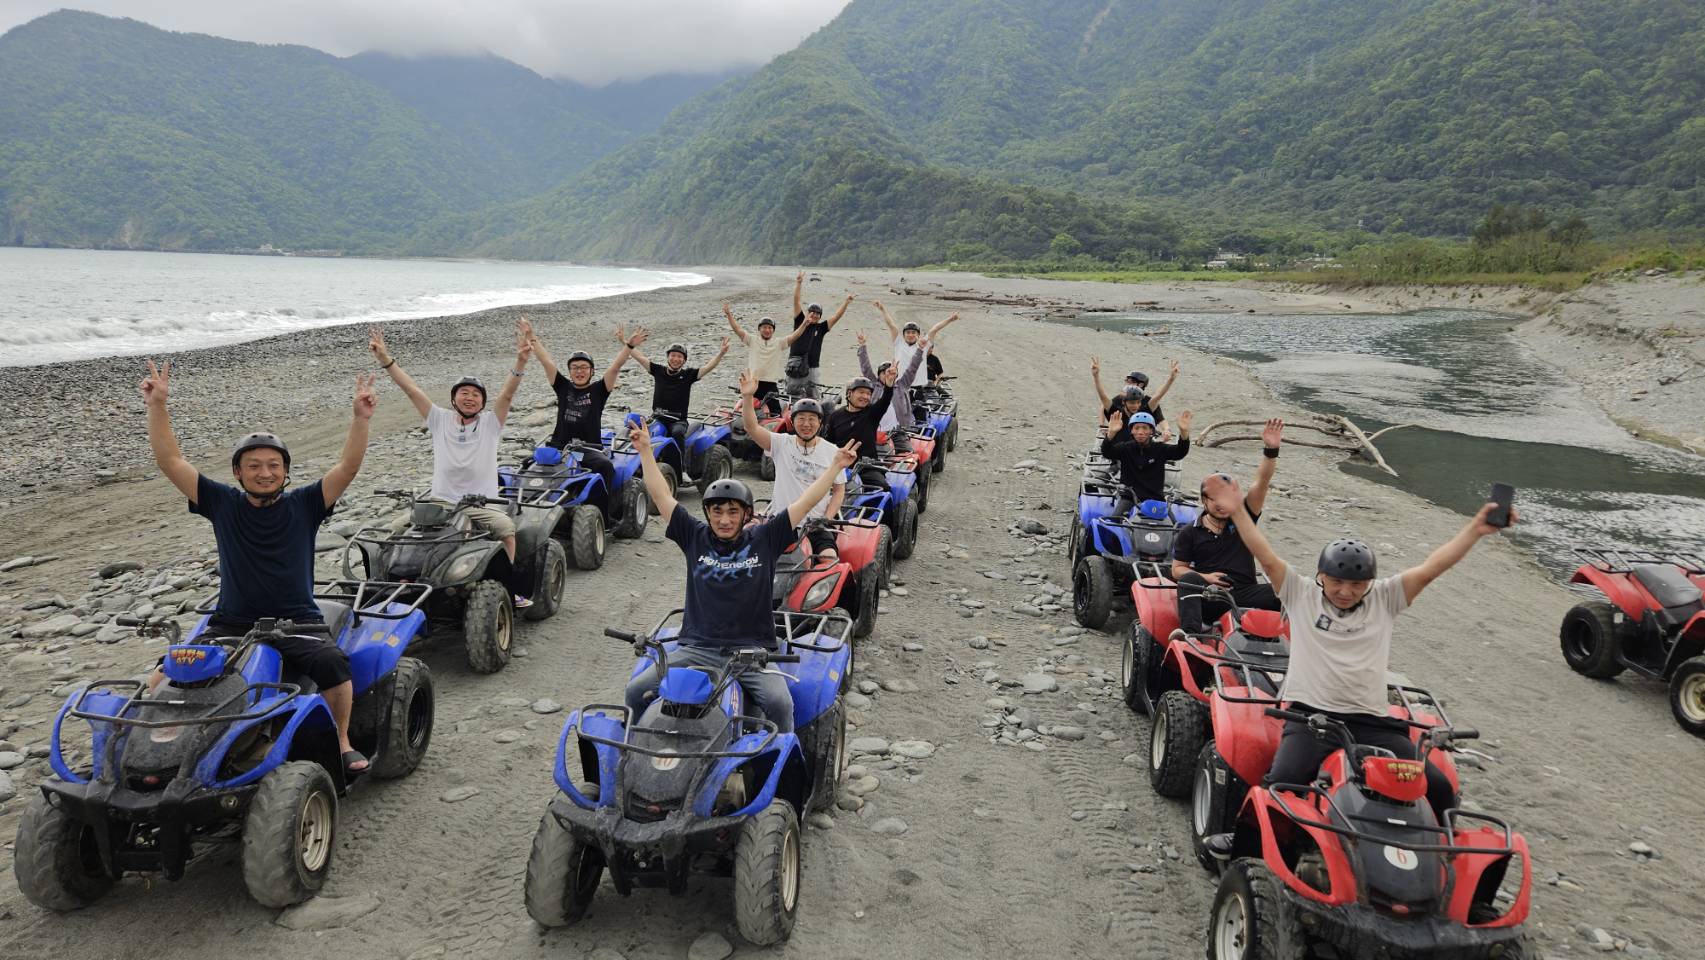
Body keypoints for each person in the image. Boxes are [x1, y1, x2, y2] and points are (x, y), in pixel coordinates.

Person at [1199, 477, 1518, 847]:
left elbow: (1432, 568)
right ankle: (1243, 849)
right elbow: (1266, 556)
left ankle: (1439, 859)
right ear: (1320, 576)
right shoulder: (1301, 594)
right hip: (1309, 715)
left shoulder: (1385, 599)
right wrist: (1238, 511)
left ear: (1370, 582)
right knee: (1279, 785)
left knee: (1441, 788)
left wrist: (1475, 530)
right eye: (1336, 582)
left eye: (1357, 584)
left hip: (1371, 720)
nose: (1346, 592)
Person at [140, 360, 377, 775]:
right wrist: (158, 406)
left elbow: (348, 468)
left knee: (334, 665)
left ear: (285, 471)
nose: (264, 473)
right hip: (231, 622)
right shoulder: (222, 503)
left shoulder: (306, 504)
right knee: (162, 676)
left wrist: (360, 419)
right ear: (238, 472)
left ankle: (341, 741)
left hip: (298, 620)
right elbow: (170, 461)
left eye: (273, 466)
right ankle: (141, 747)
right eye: (254, 466)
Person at [622, 417, 858, 732]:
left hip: (751, 652)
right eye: (717, 511)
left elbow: (805, 502)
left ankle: (778, 769)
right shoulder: (694, 536)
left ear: (747, 514)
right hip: (696, 648)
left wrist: (834, 468)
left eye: (733, 511)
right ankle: (632, 754)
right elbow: (663, 497)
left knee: (780, 704)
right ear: (707, 513)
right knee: (636, 691)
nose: (724, 519)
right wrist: (646, 453)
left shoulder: (766, 538)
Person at [369, 324, 531, 604]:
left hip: (479, 506)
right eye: (464, 393)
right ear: (454, 398)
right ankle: (388, 584)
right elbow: (411, 390)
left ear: (482, 402)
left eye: (476, 394)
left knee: (505, 528)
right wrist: (385, 359)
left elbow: (506, 395)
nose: (469, 397)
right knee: (394, 530)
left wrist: (520, 361)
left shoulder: (491, 424)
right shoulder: (439, 419)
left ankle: (508, 588)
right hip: (440, 502)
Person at [1171, 418, 1286, 636]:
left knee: (1286, 591)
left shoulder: (1244, 519)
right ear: (1204, 500)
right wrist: (1206, 577)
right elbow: (1177, 569)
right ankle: (1191, 635)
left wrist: (1271, 450)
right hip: (1210, 596)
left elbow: (1261, 483)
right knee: (1188, 579)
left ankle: (1293, 641)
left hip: (1245, 593)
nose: (1221, 504)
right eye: (1215, 498)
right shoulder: (1190, 532)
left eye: (1226, 497)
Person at [523, 318, 644, 519]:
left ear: (591, 371)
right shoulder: (562, 386)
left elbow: (615, 367)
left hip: (587, 449)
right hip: (558, 447)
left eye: (584, 367)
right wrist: (530, 336)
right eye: (575, 367)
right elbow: (546, 361)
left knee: (606, 466)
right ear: (570, 371)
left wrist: (629, 345)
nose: (579, 371)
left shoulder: (599, 390)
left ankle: (605, 516)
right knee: (527, 465)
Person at [737, 370, 846, 558]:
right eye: (801, 419)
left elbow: (838, 490)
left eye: (812, 419)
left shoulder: (833, 452)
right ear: (792, 422)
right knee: (750, 558)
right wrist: (747, 397)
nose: (806, 424)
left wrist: (826, 519)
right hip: (781, 522)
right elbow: (751, 427)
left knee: (829, 559)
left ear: (820, 424)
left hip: (816, 525)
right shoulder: (781, 443)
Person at [626, 333, 730, 448]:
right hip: (658, 417)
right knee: (641, 433)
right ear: (668, 357)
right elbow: (640, 358)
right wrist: (627, 344)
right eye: (673, 355)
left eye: (680, 357)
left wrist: (721, 353)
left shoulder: (688, 375)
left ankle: (681, 464)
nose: (676, 359)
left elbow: (708, 367)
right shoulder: (658, 371)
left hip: (678, 421)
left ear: (684, 360)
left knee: (677, 433)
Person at [824, 370, 907, 494]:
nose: (865, 396)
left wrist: (889, 385)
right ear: (849, 393)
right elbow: (828, 443)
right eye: (861, 392)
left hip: (865, 466)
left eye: (868, 394)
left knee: (884, 490)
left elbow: (885, 401)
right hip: (839, 465)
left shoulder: (872, 413)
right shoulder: (835, 416)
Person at [1100, 407, 1193, 516]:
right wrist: (1111, 433)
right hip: (1129, 499)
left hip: (1156, 500)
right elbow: (1107, 452)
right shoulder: (1125, 448)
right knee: (1114, 524)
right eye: (1137, 428)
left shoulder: (1160, 449)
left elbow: (1180, 452)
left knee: (1175, 529)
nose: (1140, 432)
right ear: (1131, 430)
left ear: (1151, 431)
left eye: (1145, 428)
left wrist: (1184, 433)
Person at [725, 302, 811, 415]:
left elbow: (795, 336)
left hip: (770, 384)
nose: (767, 330)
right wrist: (729, 314)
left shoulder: (779, 343)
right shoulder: (752, 340)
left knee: (776, 412)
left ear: (773, 330)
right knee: (743, 411)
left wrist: (804, 324)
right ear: (759, 329)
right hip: (753, 383)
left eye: (770, 328)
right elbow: (737, 329)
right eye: (764, 327)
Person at [854, 328, 927, 453]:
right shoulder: (873, 385)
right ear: (879, 375)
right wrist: (862, 346)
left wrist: (920, 349)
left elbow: (913, 367)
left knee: (909, 455)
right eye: (884, 373)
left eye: (891, 372)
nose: (887, 375)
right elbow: (865, 366)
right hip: (873, 430)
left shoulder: (902, 384)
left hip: (897, 432)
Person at [789, 271, 853, 394]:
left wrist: (846, 302)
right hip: (795, 365)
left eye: (817, 313)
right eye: (811, 311)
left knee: (814, 395)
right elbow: (796, 301)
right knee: (792, 394)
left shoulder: (821, 328)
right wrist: (799, 283)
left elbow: (836, 316)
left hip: (813, 367)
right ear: (807, 313)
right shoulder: (800, 321)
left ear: (820, 316)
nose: (814, 314)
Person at [873, 302, 959, 393]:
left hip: (919, 388)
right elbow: (891, 325)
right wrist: (882, 309)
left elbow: (934, 329)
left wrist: (950, 319)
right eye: (908, 332)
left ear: (918, 335)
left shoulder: (923, 345)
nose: (910, 335)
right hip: (900, 386)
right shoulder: (899, 343)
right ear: (904, 334)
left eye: (913, 332)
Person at [1092, 357, 1178, 435]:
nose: (1135, 406)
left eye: (1138, 402)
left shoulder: (1148, 406)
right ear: (1124, 402)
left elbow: (1159, 402)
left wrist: (1167, 429)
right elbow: (1104, 400)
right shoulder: (1119, 405)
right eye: (1131, 403)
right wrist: (1102, 425)